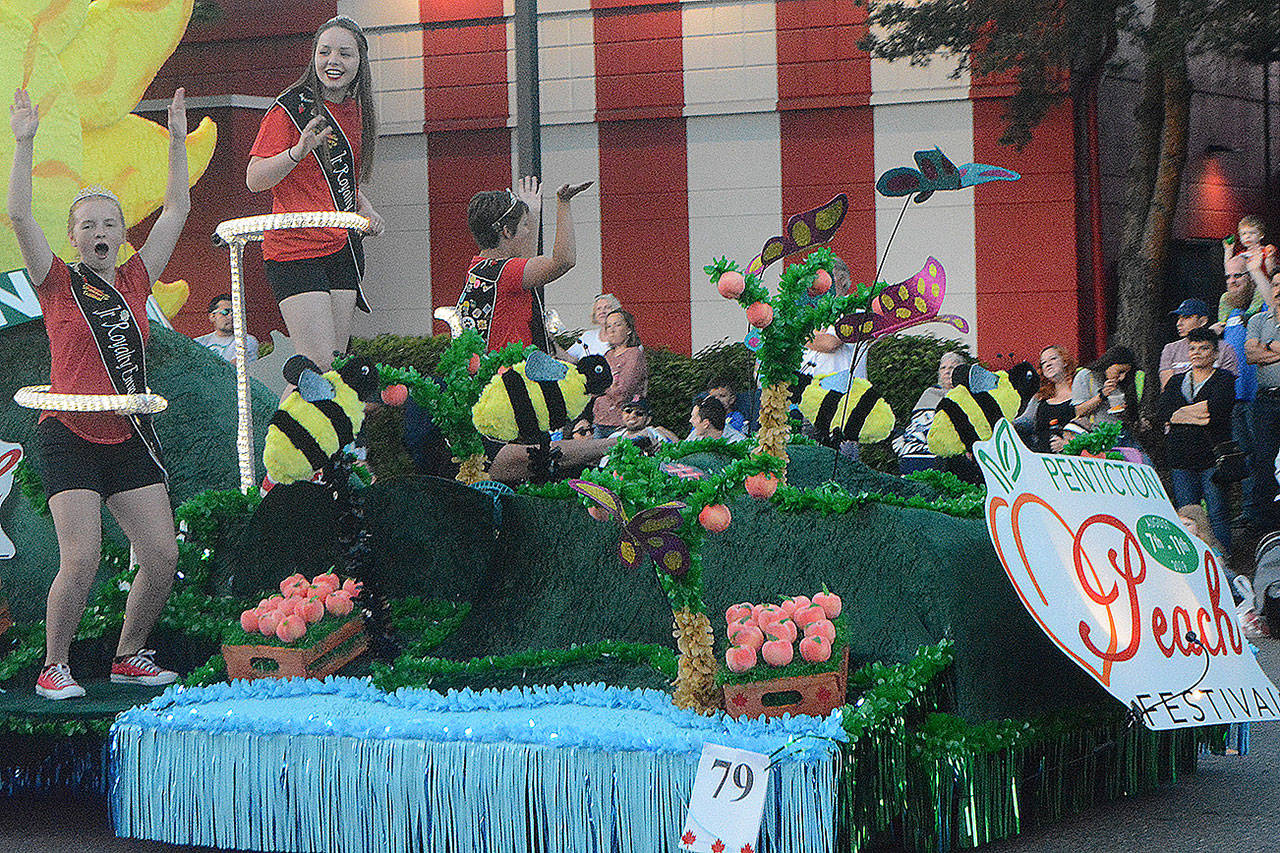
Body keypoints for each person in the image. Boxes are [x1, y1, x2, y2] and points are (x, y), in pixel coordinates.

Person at [8, 87, 190, 699]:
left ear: (121, 232)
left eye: (109, 223)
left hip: (127, 431)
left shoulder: (137, 278)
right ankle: (53, 664)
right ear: (75, 236)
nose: (99, 231)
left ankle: (128, 654)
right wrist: (26, 142)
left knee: (162, 555)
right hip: (68, 433)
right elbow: (20, 217)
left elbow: (177, 211)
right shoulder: (57, 281)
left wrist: (175, 146)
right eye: (88, 225)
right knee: (80, 559)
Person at [245, 15, 385, 374]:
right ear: (314, 57)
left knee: (332, 368)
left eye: (344, 54)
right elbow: (254, 179)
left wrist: (366, 209)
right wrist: (297, 152)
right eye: (325, 52)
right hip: (295, 250)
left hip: (340, 249)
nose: (333, 61)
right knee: (316, 363)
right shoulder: (290, 110)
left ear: (359, 63)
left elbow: (345, 184)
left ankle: (327, 431)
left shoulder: (356, 112)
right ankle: (280, 431)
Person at [459, 176, 592, 353]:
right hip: (514, 375)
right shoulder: (507, 272)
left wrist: (533, 213)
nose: (528, 231)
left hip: (498, 376)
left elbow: (524, 263)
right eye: (524, 225)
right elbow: (564, 261)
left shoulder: (480, 267)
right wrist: (563, 202)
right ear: (506, 231)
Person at [1158, 328, 1235, 551]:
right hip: (1181, 457)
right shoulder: (1175, 381)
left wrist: (1179, 415)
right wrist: (1193, 414)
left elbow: (1215, 411)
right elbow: (1164, 411)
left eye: (1203, 348)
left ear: (1215, 353)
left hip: (1212, 456)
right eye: (1192, 348)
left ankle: (1223, 558)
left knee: (1217, 510)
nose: (1197, 353)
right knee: (1187, 513)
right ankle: (1191, 557)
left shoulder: (1224, 379)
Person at [1217, 254, 1264, 529]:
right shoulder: (1228, 312)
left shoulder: (1260, 310)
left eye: (1239, 275)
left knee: (1263, 457)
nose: (1232, 281)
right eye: (1229, 277)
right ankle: (1249, 512)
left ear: (1251, 279)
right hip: (1235, 398)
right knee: (1244, 458)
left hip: (1260, 396)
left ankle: (1264, 515)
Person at [1244, 272, 1280, 532]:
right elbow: (1250, 355)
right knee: (1264, 461)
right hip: (1266, 401)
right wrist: (1274, 348)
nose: (1278, 289)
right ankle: (1268, 528)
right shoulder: (1258, 319)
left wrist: (1263, 349)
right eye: (1275, 284)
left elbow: (1259, 352)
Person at [894, 351, 966, 471]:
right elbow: (917, 421)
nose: (947, 371)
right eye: (943, 368)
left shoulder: (966, 394)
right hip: (921, 440)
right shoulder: (930, 393)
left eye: (952, 367)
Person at [800, 257, 867, 380]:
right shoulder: (818, 313)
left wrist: (796, 336)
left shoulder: (853, 311)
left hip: (840, 388)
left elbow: (829, 343)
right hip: (812, 387)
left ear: (841, 280)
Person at [1158, 297, 1237, 388]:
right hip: (1177, 400)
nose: (1179, 323)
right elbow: (1167, 387)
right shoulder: (1171, 349)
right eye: (1179, 318)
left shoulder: (1224, 348)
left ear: (1203, 321)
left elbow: (1226, 388)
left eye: (1187, 317)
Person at [592, 309, 647, 437]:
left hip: (622, 422)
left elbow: (623, 391)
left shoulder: (634, 354)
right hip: (600, 420)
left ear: (628, 330)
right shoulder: (607, 355)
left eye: (617, 325)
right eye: (608, 326)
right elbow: (594, 387)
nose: (611, 330)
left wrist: (603, 387)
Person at [1072, 345, 1142, 444]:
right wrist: (1101, 395)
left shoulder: (1125, 382)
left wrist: (1125, 410)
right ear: (1110, 364)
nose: (1122, 377)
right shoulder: (1086, 376)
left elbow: (1131, 416)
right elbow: (1079, 411)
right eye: (1120, 371)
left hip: (1121, 433)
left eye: (1126, 373)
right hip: (1096, 434)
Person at [1024, 345, 1079, 453]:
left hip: (1072, 458)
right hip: (1042, 458)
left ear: (1065, 362)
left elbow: (1089, 424)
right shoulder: (1039, 397)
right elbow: (1024, 422)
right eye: (1043, 363)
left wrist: (1070, 443)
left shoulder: (1079, 390)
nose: (1048, 364)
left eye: (1053, 359)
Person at [194, 294, 259, 364]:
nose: (231, 317)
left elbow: (232, 369)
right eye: (225, 312)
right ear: (212, 316)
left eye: (235, 313)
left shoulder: (246, 340)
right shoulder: (199, 342)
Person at [565, 293, 621, 362]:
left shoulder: (621, 337)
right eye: (598, 309)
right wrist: (553, 343)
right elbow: (569, 358)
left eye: (607, 307)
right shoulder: (587, 336)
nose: (602, 311)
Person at [1224, 214, 1276, 287]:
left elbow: (1271, 272)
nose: (1247, 236)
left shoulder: (1266, 251)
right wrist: (1228, 250)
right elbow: (1229, 269)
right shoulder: (1241, 254)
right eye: (1243, 234)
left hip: (1262, 288)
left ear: (1261, 235)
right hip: (1245, 289)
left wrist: (1270, 258)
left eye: (1252, 233)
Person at [608, 399, 678, 445]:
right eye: (628, 411)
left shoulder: (655, 435)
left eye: (639, 413)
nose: (632, 416)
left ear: (648, 420)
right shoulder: (615, 436)